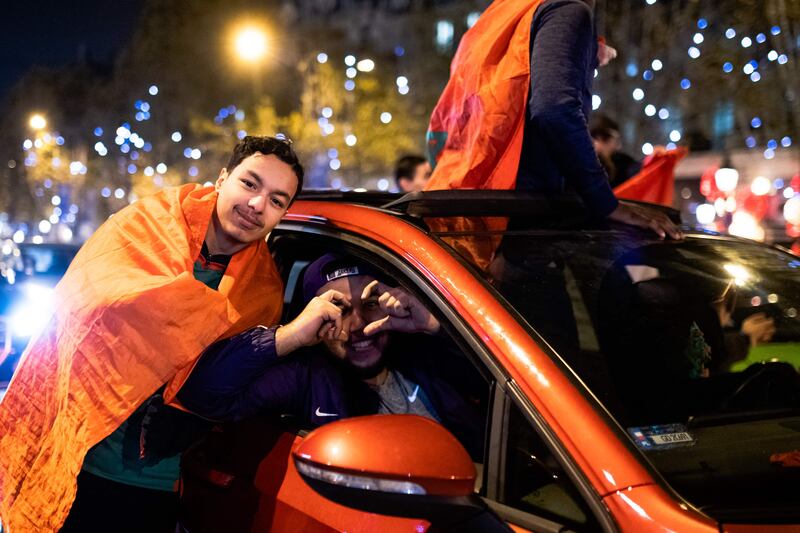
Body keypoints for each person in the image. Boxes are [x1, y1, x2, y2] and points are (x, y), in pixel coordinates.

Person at [0, 136, 307, 533]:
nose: (257, 204)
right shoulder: (145, 227)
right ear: (222, 178)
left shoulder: (263, 293)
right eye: (250, 183)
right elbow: (77, 316)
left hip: (154, 481)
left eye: (277, 200)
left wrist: (194, 417)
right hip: (76, 456)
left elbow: (231, 385)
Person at [178, 253, 485, 460]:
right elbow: (202, 395)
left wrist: (436, 327)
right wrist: (292, 334)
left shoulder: (424, 353)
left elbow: (508, 389)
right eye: (339, 310)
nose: (359, 326)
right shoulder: (305, 378)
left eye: (370, 304)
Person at [425, 0, 680, 240]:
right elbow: (555, 112)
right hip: (515, 224)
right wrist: (607, 204)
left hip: (460, 207)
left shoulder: (501, 14)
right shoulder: (567, 9)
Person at [590, 114, 641, 187]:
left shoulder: (621, 162)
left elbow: (638, 170)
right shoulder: (586, 163)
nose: (618, 146)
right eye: (616, 140)